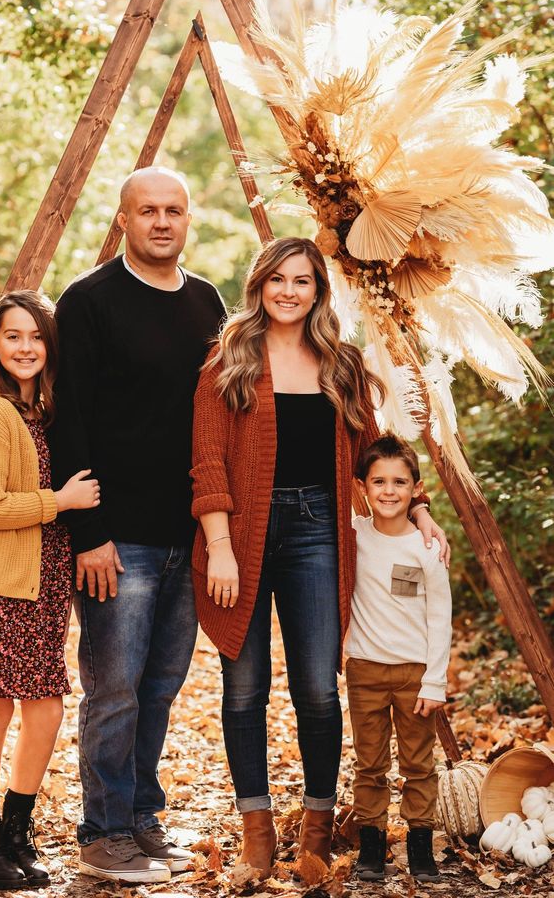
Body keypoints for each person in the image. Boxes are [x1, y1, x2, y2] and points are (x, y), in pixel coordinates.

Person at [189, 236, 449, 878]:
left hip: (317, 533)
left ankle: (315, 826)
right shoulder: (227, 363)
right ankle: (256, 830)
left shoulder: (343, 365)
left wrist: (416, 506)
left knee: (315, 688)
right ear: (259, 286)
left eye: (301, 281)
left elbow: (377, 456)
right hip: (240, 537)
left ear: (318, 291)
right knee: (243, 688)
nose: (288, 291)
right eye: (277, 279)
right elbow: (208, 463)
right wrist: (220, 548)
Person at [49, 167, 225, 884]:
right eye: (147, 210)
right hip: (119, 541)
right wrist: (89, 535)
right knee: (114, 688)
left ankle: (143, 818)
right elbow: (70, 420)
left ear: (189, 220)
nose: (161, 222)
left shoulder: (208, 301)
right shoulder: (88, 300)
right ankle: (104, 830)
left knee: (159, 686)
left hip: (187, 533)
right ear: (122, 219)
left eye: (173, 210)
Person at [0, 290, 100, 890]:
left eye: (35, 337)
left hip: (39, 583)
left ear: (48, 346)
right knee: (2, 708)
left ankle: (14, 829)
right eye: (13, 336)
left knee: (41, 710)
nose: (25, 347)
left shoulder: (44, 414)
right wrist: (62, 501)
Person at [347, 433, 452, 885]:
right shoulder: (353, 535)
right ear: (364, 488)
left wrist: (435, 681)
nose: (388, 491)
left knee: (417, 765)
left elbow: (440, 615)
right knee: (369, 765)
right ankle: (371, 848)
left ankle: (420, 848)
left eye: (399, 482)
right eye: (378, 482)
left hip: (414, 674)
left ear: (415, 489)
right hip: (365, 670)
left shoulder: (425, 546)